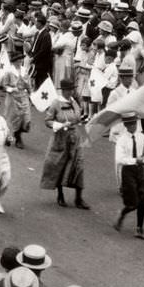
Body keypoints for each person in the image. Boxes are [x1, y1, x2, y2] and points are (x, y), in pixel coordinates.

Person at [40, 78, 89, 210]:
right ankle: (60, 194)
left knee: (79, 165)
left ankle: (79, 198)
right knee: (60, 165)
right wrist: (60, 125)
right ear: (64, 90)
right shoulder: (56, 103)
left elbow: (78, 117)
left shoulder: (74, 102)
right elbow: (47, 120)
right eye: (69, 89)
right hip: (61, 138)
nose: (71, 91)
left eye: (72, 89)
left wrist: (82, 120)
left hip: (75, 138)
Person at [112, 113, 144, 241]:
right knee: (132, 202)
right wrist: (135, 160)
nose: (132, 126)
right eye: (129, 124)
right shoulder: (122, 140)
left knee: (143, 202)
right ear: (125, 125)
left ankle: (139, 229)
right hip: (128, 171)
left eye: (134, 123)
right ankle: (123, 213)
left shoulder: (141, 137)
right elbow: (119, 159)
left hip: (140, 171)